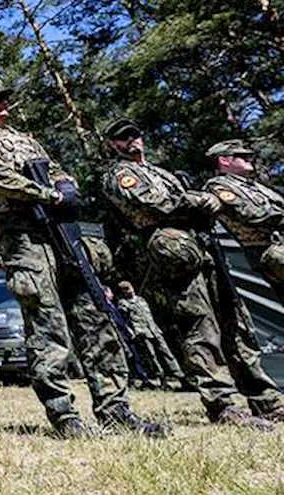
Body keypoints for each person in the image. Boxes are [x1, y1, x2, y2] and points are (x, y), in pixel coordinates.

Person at [0, 83, 164, 438]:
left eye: (6, 97)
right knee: (47, 323)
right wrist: (47, 194)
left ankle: (115, 410)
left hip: (61, 230)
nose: (4, 103)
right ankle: (64, 416)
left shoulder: (27, 139)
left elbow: (56, 169)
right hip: (23, 234)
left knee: (94, 315)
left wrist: (66, 186)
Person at [101, 119, 282, 428]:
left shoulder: (161, 172)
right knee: (200, 326)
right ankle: (220, 404)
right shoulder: (119, 175)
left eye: (134, 134)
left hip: (202, 246)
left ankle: (265, 400)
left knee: (236, 323)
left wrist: (196, 205)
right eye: (122, 137)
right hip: (174, 250)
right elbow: (154, 203)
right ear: (112, 145)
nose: (131, 140)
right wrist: (197, 201)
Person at [203, 139, 284, 305]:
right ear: (224, 160)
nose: (248, 159)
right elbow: (250, 214)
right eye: (241, 156)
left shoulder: (256, 186)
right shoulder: (218, 185)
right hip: (267, 250)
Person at [115, 281, 185, 389]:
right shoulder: (123, 303)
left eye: (131, 287)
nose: (131, 290)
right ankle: (161, 379)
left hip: (154, 330)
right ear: (123, 292)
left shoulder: (141, 300)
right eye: (127, 289)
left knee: (166, 353)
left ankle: (179, 376)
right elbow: (123, 320)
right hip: (142, 333)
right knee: (152, 357)